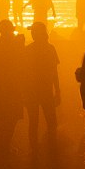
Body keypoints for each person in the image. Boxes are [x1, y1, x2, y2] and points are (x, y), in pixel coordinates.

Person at [0, 20, 24, 156]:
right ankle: (5, 145)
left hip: (1, 81)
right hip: (13, 82)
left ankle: (2, 145)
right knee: (11, 116)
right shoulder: (15, 44)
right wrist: (20, 44)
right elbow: (21, 61)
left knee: (3, 116)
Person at [24, 20, 61, 151]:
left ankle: (35, 149)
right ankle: (51, 146)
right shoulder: (50, 48)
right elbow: (54, 73)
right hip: (44, 90)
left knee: (35, 122)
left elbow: (23, 73)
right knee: (51, 122)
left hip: (33, 91)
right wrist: (58, 91)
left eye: (34, 32)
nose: (32, 34)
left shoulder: (28, 49)